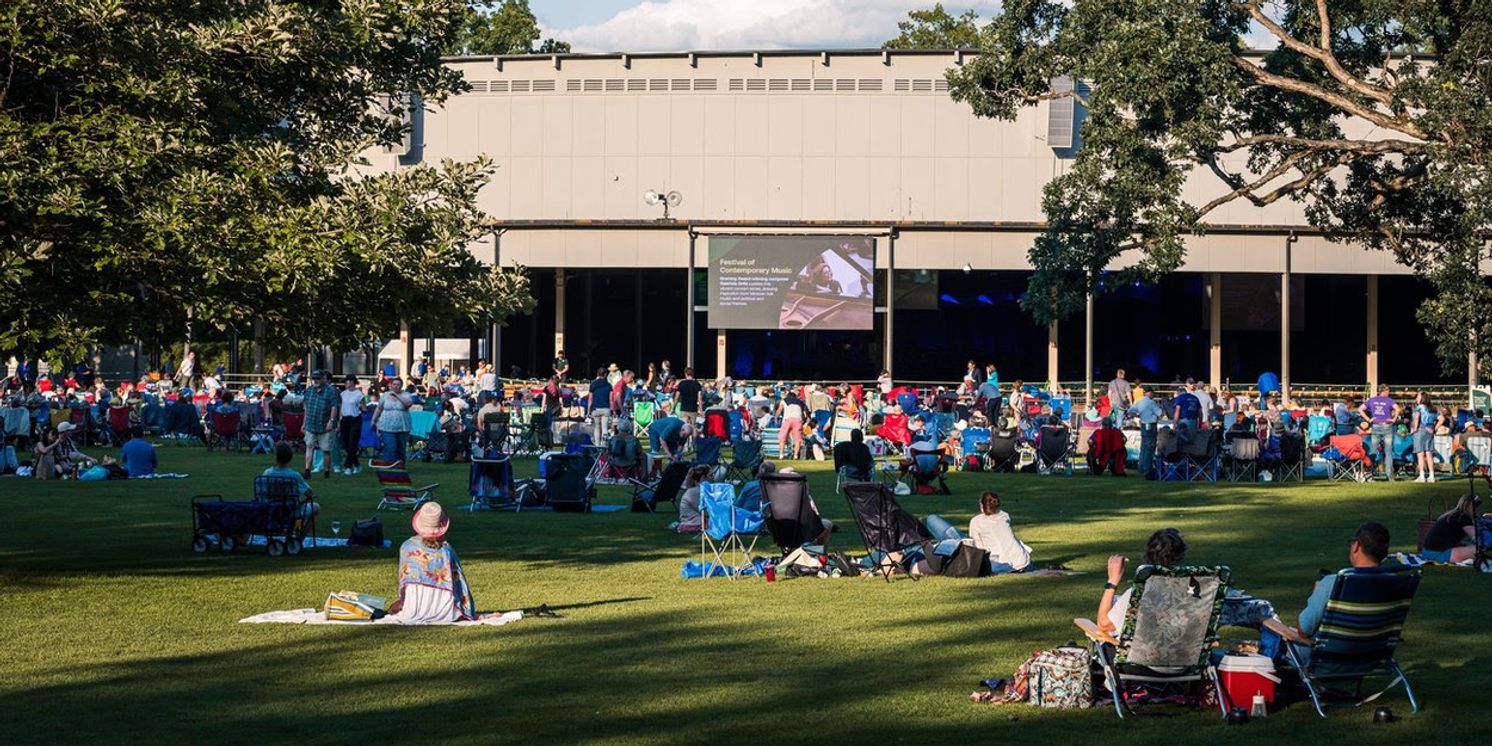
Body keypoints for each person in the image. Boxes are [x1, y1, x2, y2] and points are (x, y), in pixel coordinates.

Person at [1271, 522, 1391, 646]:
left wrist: (1317, 594)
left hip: (1331, 658)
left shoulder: (1333, 583)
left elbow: (1304, 630)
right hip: (1375, 655)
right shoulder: (1395, 582)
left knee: (1275, 638)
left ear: (1356, 546)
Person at [386, 502, 480, 623]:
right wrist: (468, 611)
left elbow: (405, 582)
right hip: (445, 610)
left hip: (413, 607)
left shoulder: (407, 547)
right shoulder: (446, 551)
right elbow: (459, 584)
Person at [1098, 528, 1188, 635]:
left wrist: (1112, 581)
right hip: (1184, 651)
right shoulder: (1198, 591)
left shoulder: (1139, 594)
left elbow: (1104, 624)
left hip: (1141, 651)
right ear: (1181, 557)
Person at [925, 491, 1031, 574]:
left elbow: (976, 549)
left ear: (982, 505)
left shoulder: (976, 521)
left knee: (933, 520)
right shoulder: (1004, 516)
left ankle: (927, 543)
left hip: (997, 564)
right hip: (1022, 561)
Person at [261, 441, 320, 529]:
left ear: (276, 457)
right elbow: (310, 494)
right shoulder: (294, 476)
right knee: (315, 507)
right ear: (290, 457)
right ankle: (299, 538)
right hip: (291, 510)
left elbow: (262, 493)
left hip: (271, 509)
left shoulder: (267, 473)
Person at [301, 370, 341, 478]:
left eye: (318, 378)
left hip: (325, 424)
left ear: (323, 379)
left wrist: (331, 421)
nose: (316, 381)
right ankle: (307, 470)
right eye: (314, 379)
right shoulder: (309, 391)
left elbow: (334, 407)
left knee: (326, 449)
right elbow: (306, 408)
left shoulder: (331, 391)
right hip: (311, 423)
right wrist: (303, 423)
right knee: (309, 446)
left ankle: (327, 471)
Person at [1422, 495, 1483, 564]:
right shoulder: (1463, 517)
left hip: (1428, 552)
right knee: (1481, 550)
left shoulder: (1453, 515)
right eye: (1477, 508)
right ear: (1471, 507)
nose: (1478, 511)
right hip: (1439, 554)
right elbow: (1477, 537)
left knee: (1472, 547)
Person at [1359, 384, 1399, 481]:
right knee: (1388, 452)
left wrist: (1368, 419)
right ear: (1384, 391)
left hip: (1376, 426)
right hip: (1387, 426)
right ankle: (1390, 476)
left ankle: (1369, 475)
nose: (1389, 392)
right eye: (1388, 390)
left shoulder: (1372, 400)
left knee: (1373, 451)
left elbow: (1360, 409)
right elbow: (1398, 408)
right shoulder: (1389, 400)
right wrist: (1394, 419)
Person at [374, 378, 415, 463]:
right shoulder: (385, 395)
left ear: (401, 386)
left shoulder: (406, 394)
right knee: (390, 447)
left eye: (398, 384)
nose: (396, 386)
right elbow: (379, 408)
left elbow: (408, 404)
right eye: (394, 384)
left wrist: (396, 395)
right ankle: (389, 467)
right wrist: (373, 419)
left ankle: (400, 468)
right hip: (386, 426)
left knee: (401, 448)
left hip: (402, 426)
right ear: (391, 385)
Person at [338, 375, 366, 476]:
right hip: (345, 420)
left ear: (353, 382)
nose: (346, 384)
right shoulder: (343, 394)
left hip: (355, 419)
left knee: (352, 443)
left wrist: (361, 407)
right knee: (346, 444)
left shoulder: (359, 394)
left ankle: (348, 466)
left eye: (347, 381)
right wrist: (339, 419)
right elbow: (341, 407)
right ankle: (357, 465)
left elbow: (364, 408)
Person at [675, 464, 714, 533]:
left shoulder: (700, 490)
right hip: (693, 523)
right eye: (710, 475)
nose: (713, 478)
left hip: (698, 520)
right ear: (703, 477)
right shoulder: (694, 492)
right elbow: (705, 512)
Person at [1411, 391, 1438, 483]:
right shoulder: (1433, 408)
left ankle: (1422, 476)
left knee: (1420, 454)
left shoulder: (1419, 408)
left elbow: (1417, 419)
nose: (1416, 398)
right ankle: (1432, 476)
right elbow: (1441, 419)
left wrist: (1414, 429)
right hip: (1429, 431)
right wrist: (1435, 428)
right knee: (1429, 454)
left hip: (1420, 430)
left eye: (1418, 396)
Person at [776, 389, 806, 460]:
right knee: (798, 439)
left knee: (782, 438)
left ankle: (781, 455)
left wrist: (776, 417)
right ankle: (795, 456)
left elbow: (779, 410)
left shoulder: (784, 400)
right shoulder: (800, 402)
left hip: (787, 419)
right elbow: (804, 413)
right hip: (797, 420)